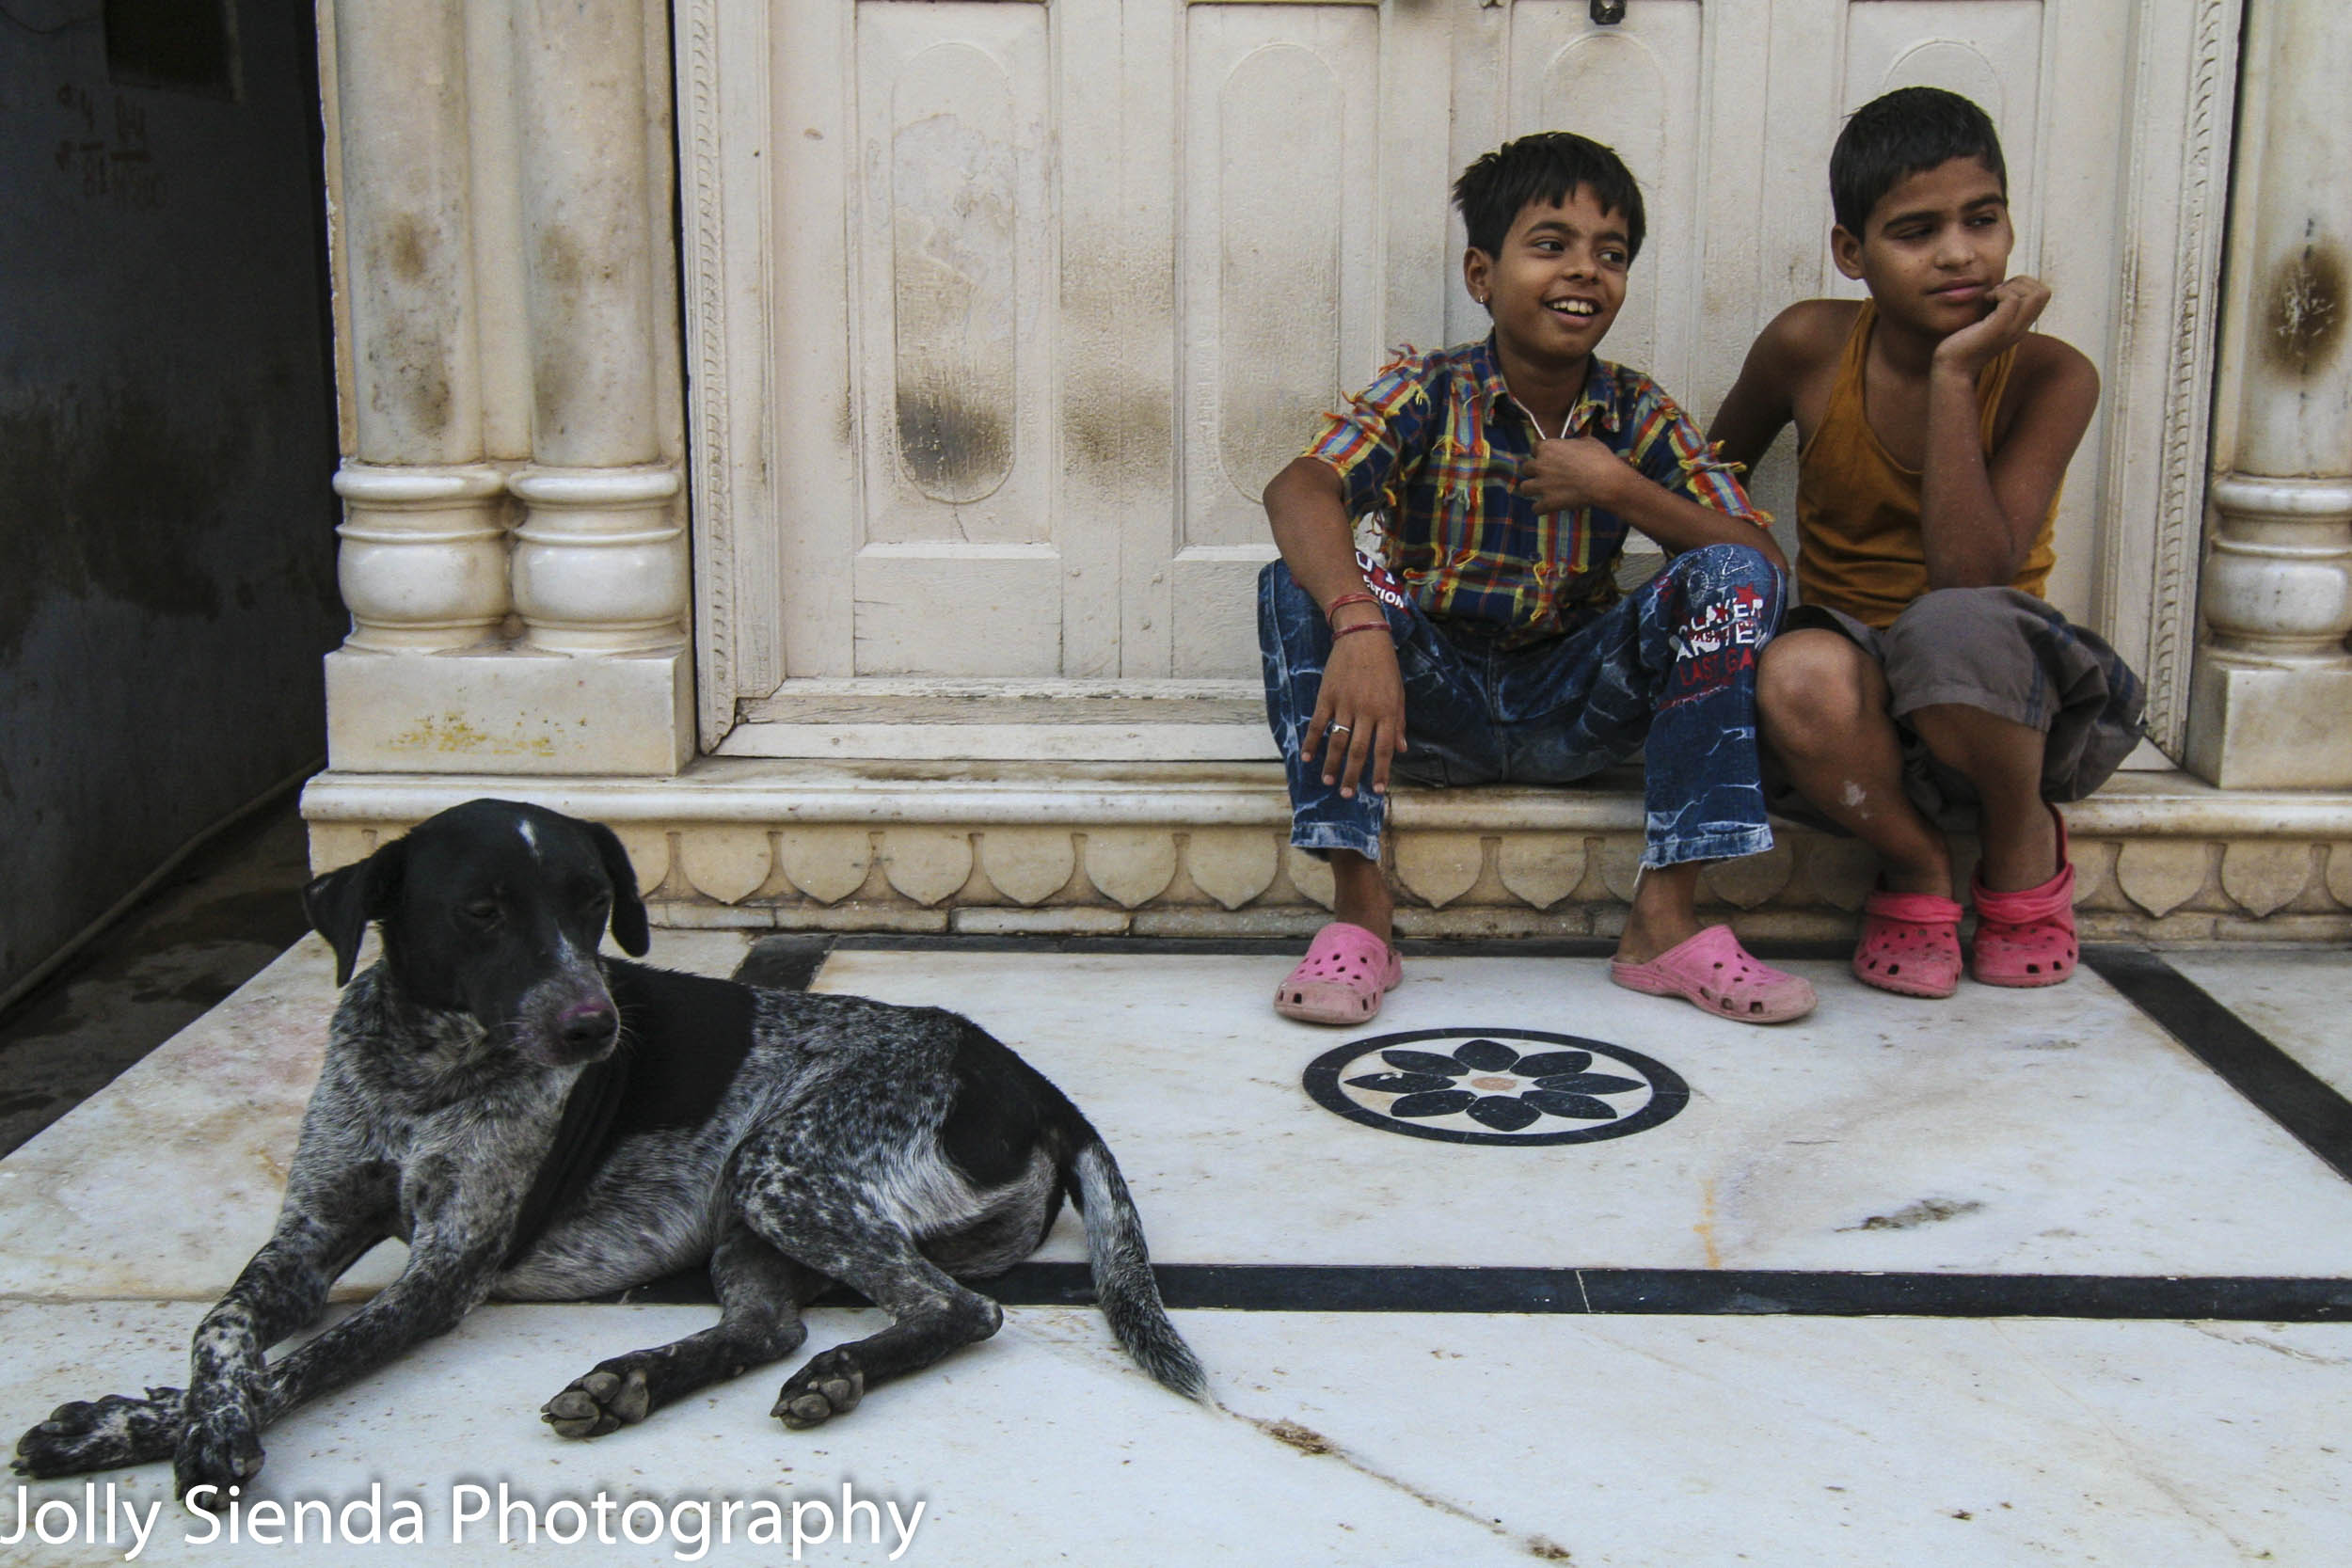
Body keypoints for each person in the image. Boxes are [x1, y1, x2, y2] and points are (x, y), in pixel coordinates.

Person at [1258, 131, 1812, 1029]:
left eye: (1612, 253)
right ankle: (1360, 918)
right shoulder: (1430, 390)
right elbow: (1301, 488)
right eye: (1552, 244)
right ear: (1483, 275)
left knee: (1727, 575)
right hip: (1427, 703)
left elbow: (1761, 566)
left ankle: (1664, 924)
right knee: (1296, 577)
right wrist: (1361, 624)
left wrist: (1618, 486)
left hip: (1570, 703)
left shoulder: (1637, 410)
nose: (1585, 271)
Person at [1708, 87, 2143, 1000]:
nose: (1958, 253)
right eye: (1915, 232)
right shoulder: (1807, 345)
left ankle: (2020, 831)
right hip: (1854, 700)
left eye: (1981, 220)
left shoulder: (2052, 374)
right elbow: (1708, 471)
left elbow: (1972, 576)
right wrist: (1754, 554)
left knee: (1951, 627)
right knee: (1792, 667)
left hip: (1998, 689)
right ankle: (1913, 862)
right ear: (1850, 253)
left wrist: (1957, 374)